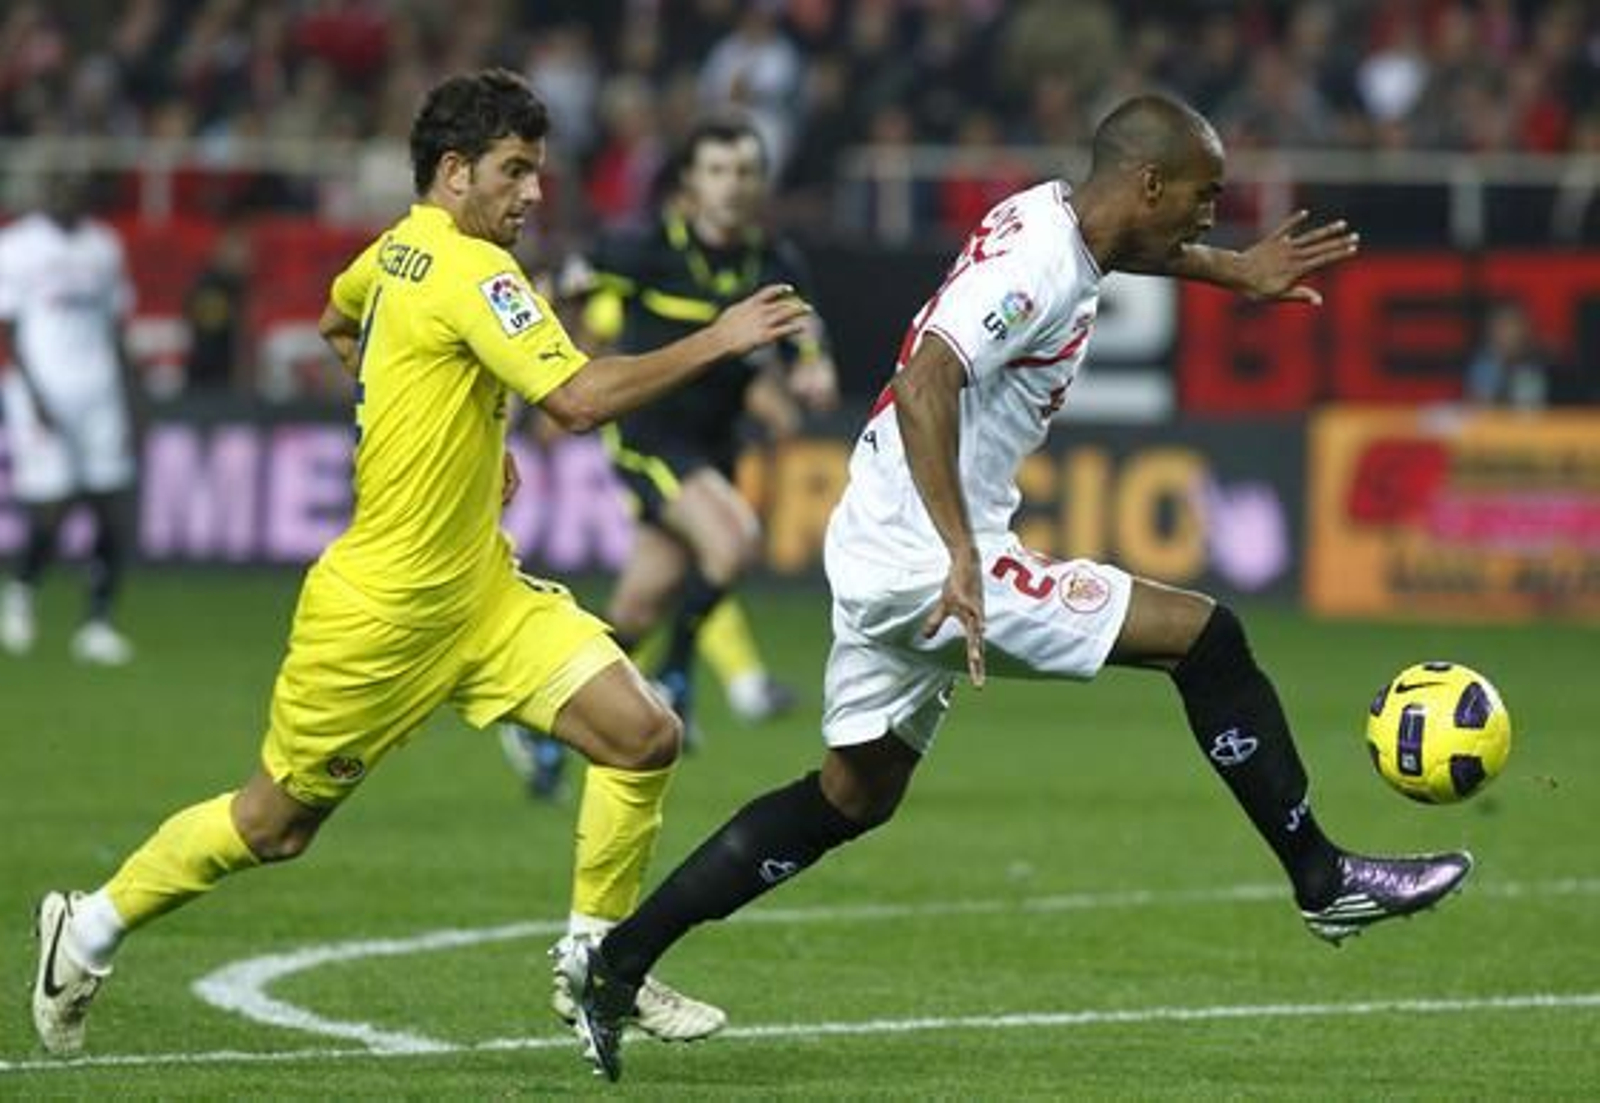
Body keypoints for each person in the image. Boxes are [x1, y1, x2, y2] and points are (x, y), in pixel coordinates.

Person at [558, 94, 1476, 1082]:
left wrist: (1232, 270)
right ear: (1150, 182)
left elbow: (1122, 253)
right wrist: (959, 550)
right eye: (1205, 198)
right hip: (924, 555)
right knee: (1203, 638)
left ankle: (614, 964)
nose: (1213, 215)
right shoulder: (1037, 263)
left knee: (850, 794)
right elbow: (927, 381)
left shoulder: (1060, 217)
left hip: (881, 536)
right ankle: (1321, 875)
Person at [29, 69, 809, 1058]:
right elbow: (573, 400)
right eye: (515, 172)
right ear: (454, 172)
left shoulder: (396, 249)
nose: (534, 194)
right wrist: (720, 337)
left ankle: (595, 963)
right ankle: (85, 926)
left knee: (641, 732)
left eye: (539, 173)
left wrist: (458, 431)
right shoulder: (472, 271)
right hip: (381, 613)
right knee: (273, 825)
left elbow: (339, 317)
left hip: (478, 594)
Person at [502, 117, 835, 792]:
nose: (733, 186)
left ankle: (537, 716)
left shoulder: (774, 263)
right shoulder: (641, 249)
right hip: (647, 435)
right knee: (735, 538)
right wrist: (538, 377)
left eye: (744, 172)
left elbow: (804, 340)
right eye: (717, 171)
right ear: (689, 181)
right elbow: (552, 289)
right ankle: (678, 677)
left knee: (637, 609)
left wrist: (812, 369)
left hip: (713, 447)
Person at [0, 173, 140, 665]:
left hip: (99, 390)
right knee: (52, 508)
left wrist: (129, 395)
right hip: (43, 389)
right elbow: (11, 328)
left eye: (75, 188)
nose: (68, 196)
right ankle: (21, 591)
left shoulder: (103, 246)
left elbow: (115, 324)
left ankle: (97, 623)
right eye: (59, 188)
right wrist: (33, 394)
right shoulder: (16, 247)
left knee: (111, 505)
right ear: (42, 195)